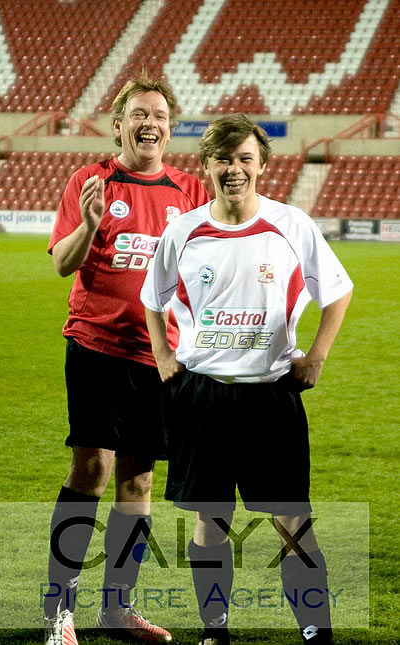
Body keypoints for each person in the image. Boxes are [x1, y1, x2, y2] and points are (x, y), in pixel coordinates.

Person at [141, 114, 353, 645]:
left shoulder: (292, 224)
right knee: (209, 523)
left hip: (271, 397)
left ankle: (315, 629)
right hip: (203, 397)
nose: (234, 169)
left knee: (292, 521)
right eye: (224, 159)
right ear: (206, 165)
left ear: (262, 164)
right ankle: (215, 630)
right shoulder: (183, 231)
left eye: (244, 159)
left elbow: (338, 290)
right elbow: (152, 298)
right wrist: (164, 352)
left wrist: (319, 354)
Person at [43, 73, 210, 645]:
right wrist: (89, 226)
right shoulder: (90, 181)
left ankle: (117, 608)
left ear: (170, 127)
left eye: (160, 115)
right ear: (119, 125)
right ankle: (57, 609)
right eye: (139, 113)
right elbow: (63, 263)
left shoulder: (191, 192)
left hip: (159, 358)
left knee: (138, 486)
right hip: (96, 348)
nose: (151, 123)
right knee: (92, 470)